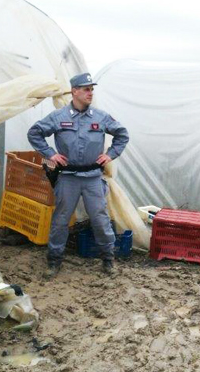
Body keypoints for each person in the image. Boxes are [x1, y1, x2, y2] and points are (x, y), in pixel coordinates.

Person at [27, 73, 129, 278]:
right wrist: (51, 154)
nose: (90, 93)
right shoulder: (58, 117)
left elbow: (122, 134)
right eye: (86, 89)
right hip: (68, 178)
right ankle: (54, 261)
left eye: (92, 89)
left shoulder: (100, 117)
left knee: (100, 219)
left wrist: (110, 155)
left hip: (92, 177)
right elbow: (34, 133)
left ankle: (108, 259)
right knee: (60, 220)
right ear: (74, 91)